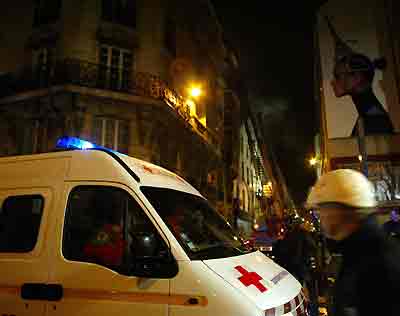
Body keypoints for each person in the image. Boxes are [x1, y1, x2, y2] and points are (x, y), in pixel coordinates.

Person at [306, 169, 400, 316]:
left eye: (322, 209)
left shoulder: (379, 263)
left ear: (338, 209)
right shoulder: (355, 253)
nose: (320, 217)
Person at [331, 53, 394, 135]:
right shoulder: (371, 115)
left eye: (337, 76)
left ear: (357, 77)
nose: (332, 82)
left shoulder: (374, 120)